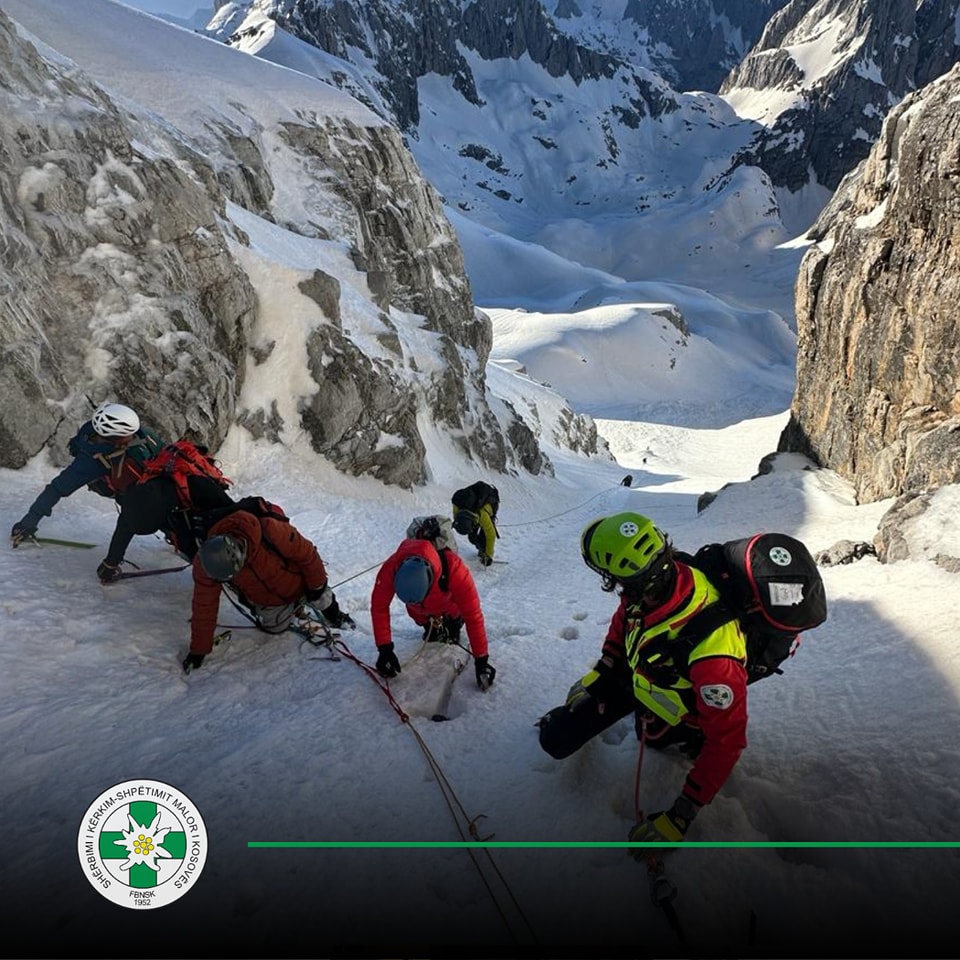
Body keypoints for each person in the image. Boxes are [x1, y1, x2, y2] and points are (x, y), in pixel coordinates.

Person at [537, 511, 748, 851]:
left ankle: (683, 733)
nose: (618, 588)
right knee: (556, 738)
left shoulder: (715, 656)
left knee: (653, 739)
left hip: (679, 707)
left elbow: (727, 741)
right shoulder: (652, 581)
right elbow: (624, 622)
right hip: (641, 678)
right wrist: (601, 673)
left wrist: (680, 817)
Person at [183, 507, 354, 673]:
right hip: (269, 600)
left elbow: (307, 555)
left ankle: (334, 613)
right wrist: (199, 650)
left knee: (322, 598)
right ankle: (295, 609)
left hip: (299, 583)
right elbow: (204, 605)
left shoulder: (270, 531)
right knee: (275, 628)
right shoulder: (206, 565)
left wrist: (317, 587)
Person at [10, 403, 163, 545]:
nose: (133, 436)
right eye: (127, 434)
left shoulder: (94, 431)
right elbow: (56, 489)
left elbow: (54, 489)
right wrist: (28, 523)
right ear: (114, 437)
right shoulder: (91, 461)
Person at [370, 536, 496, 690]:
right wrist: (384, 649)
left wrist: (481, 660)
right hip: (420, 612)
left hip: (449, 605)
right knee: (423, 620)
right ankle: (432, 628)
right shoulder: (391, 568)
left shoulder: (454, 569)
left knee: (453, 623)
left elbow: (473, 616)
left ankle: (453, 624)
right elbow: (379, 607)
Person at [95, 474, 236, 583]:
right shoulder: (135, 502)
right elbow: (123, 531)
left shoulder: (199, 487)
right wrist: (110, 564)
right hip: (172, 507)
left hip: (203, 503)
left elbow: (236, 515)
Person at [450, 481, 500, 566]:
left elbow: (491, 534)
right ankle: (480, 547)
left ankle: (484, 552)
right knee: (472, 537)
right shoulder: (457, 503)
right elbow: (457, 518)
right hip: (474, 506)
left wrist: (489, 556)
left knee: (484, 538)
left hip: (491, 501)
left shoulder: (482, 514)